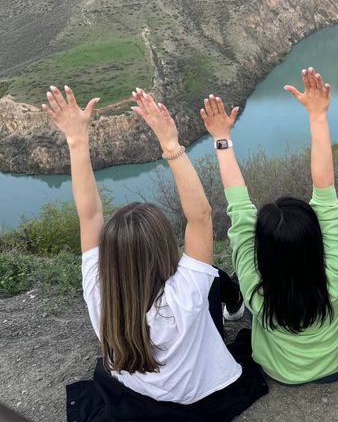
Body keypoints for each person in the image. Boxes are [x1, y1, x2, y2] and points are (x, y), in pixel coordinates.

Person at [49, 86, 267, 422]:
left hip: (136, 394)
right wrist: (171, 144)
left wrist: (76, 140)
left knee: (208, 279)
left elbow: (89, 214)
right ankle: (233, 303)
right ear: (165, 247)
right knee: (214, 283)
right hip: (200, 397)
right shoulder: (183, 296)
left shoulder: (100, 290)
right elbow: (200, 217)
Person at [202, 67, 338, 385]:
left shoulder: (256, 292)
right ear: (316, 240)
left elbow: (240, 211)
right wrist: (318, 116)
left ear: (262, 249)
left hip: (282, 372)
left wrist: (222, 139)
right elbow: (326, 193)